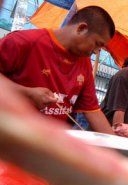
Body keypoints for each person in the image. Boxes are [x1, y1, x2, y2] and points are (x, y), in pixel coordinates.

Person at [0, 6, 115, 134]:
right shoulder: (23, 42)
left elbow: (93, 111)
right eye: (97, 44)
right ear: (81, 28)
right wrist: (27, 93)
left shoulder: (85, 63)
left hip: (46, 143)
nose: (95, 51)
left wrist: (118, 148)